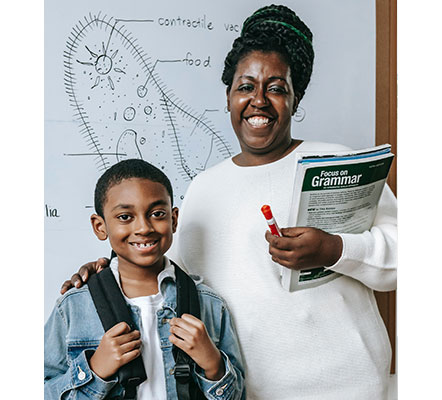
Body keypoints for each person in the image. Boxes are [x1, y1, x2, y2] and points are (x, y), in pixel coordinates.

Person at [61, 4, 397, 399]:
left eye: (276, 87)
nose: (259, 100)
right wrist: (106, 272)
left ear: (295, 97)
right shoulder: (203, 189)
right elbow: (169, 278)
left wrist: (334, 248)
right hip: (243, 391)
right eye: (245, 86)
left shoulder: (338, 161)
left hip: (353, 386)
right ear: (228, 97)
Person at [45, 159, 245, 399]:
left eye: (157, 214)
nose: (143, 227)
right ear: (100, 226)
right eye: (125, 217)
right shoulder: (73, 307)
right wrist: (95, 369)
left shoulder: (210, 304)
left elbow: (238, 395)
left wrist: (213, 364)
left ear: (173, 220)